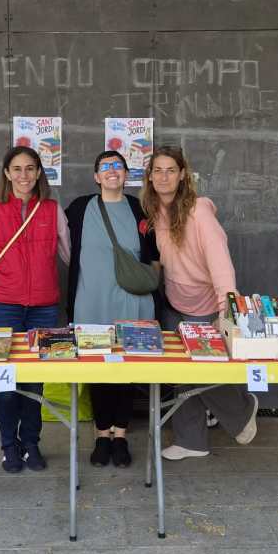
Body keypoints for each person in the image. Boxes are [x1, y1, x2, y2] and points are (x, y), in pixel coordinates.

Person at [142, 146, 258, 460]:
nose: (164, 177)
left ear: (182, 175)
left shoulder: (199, 212)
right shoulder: (154, 211)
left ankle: (242, 411)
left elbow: (221, 262)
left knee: (207, 372)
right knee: (182, 375)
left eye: (170, 170)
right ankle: (191, 440)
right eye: (158, 171)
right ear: (150, 177)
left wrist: (226, 309)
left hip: (207, 306)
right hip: (174, 304)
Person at [0, 146, 71, 473]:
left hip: (44, 307)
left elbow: (72, 256)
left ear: (39, 172)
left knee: (36, 381)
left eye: (30, 169)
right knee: (6, 380)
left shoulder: (53, 210)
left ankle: (31, 442)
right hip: (3, 305)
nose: (24, 175)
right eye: (17, 169)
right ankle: (8, 446)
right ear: (6, 173)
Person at [65, 150, 160, 468]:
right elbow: (59, 242)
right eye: (105, 167)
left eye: (117, 166)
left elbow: (154, 253)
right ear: (96, 176)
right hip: (90, 302)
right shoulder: (79, 208)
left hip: (132, 301)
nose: (111, 171)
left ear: (126, 174)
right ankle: (101, 435)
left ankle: (120, 434)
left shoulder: (139, 208)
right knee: (96, 371)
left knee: (126, 370)